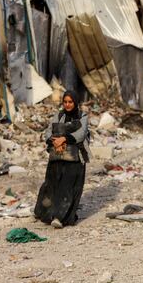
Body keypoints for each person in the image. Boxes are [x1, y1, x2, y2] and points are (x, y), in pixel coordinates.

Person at [35, 91, 90, 228]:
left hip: (75, 158)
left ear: (75, 102)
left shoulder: (82, 116)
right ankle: (47, 214)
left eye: (70, 102)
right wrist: (53, 141)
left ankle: (61, 217)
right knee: (52, 185)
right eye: (65, 102)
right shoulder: (59, 116)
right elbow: (48, 131)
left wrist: (64, 139)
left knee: (69, 188)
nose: (67, 104)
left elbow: (81, 134)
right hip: (58, 158)